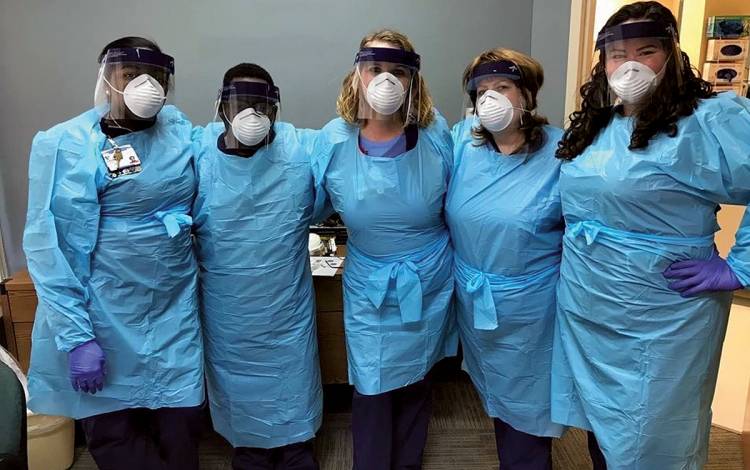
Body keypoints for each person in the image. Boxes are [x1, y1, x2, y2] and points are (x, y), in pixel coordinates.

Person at [551, 2, 750, 469]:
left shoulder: (710, 120)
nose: (631, 64)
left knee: (651, 438)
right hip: (589, 302)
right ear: (603, 62)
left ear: (672, 55)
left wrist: (738, 266)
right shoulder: (596, 124)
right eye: (618, 54)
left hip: (663, 315)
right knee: (603, 430)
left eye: (647, 51)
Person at [23, 36, 204, 470]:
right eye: (130, 74)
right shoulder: (66, 144)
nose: (147, 84)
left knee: (179, 423)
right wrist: (77, 336)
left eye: (157, 75)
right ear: (108, 80)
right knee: (115, 430)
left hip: (172, 306)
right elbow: (49, 245)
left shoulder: (177, 130)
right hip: (105, 309)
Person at [311, 29, 457, 470]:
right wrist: (322, 269)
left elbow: (461, 204)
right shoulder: (334, 140)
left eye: (398, 71)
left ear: (414, 80)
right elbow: (316, 208)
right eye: (376, 68)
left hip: (429, 273)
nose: (386, 80)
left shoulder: (436, 135)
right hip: (369, 278)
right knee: (371, 383)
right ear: (357, 74)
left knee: (417, 378)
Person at [192, 63, 323, 470]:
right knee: (238, 388)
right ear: (222, 107)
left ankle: (296, 445)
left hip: (285, 302)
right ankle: (248, 448)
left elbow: (348, 162)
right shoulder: (198, 153)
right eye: (242, 102)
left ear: (276, 106)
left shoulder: (300, 150)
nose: (253, 112)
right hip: (228, 308)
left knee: (292, 381)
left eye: (262, 103)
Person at [446, 48, 565, 470]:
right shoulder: (464, 143)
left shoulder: (562, 153)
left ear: (527, 95)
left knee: (527, 410)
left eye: (503, 87)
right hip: (477, 301)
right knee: (497, 399)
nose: (489, 99)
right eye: (481, 91)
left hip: (532, 308)